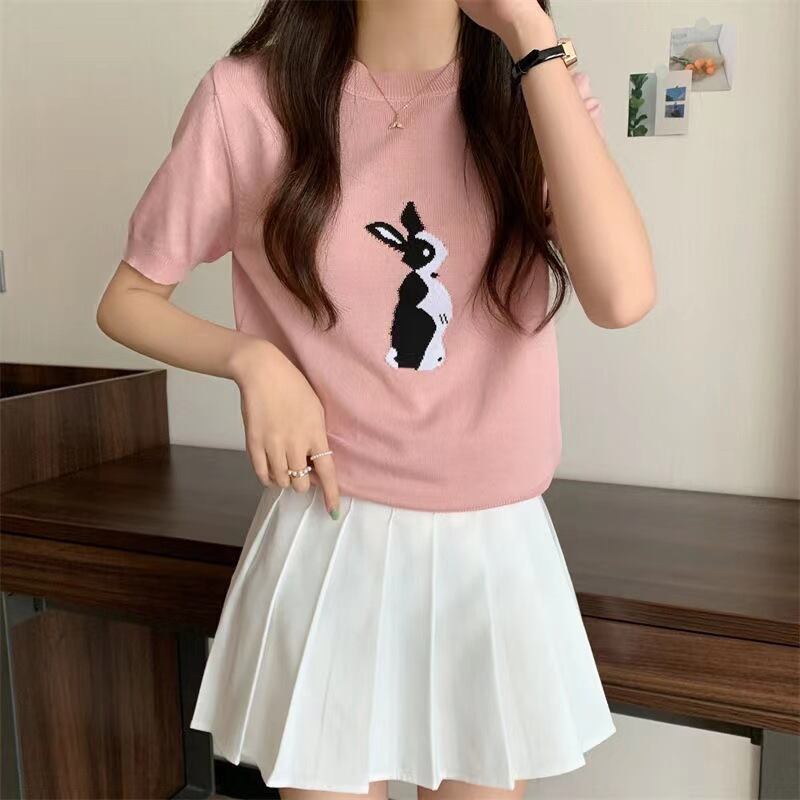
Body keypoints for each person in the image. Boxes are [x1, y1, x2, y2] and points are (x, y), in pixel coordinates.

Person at [97, 0, 656, 797]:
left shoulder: (531, 87)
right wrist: (254, 361)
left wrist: (531, 37)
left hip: (491, 549)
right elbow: (127, 298)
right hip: (330, 535)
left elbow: (622, 295)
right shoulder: (248, 97)